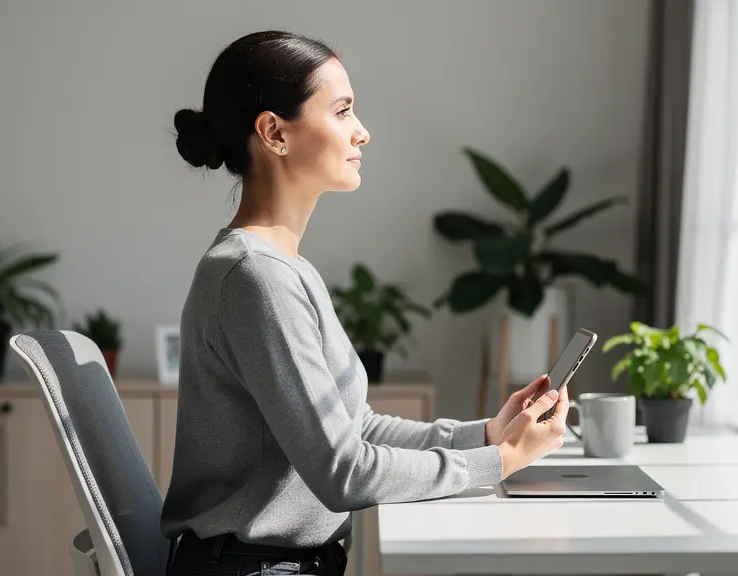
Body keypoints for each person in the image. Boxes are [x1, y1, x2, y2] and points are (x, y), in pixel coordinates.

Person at [160, 30, 570, 576]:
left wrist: (486, 435)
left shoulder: (282, 269)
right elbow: (344, 472)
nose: (363, 132)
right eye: (343, 110)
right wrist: (499, 461)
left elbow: (353, 429)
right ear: (274, 133)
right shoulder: (254, 278)